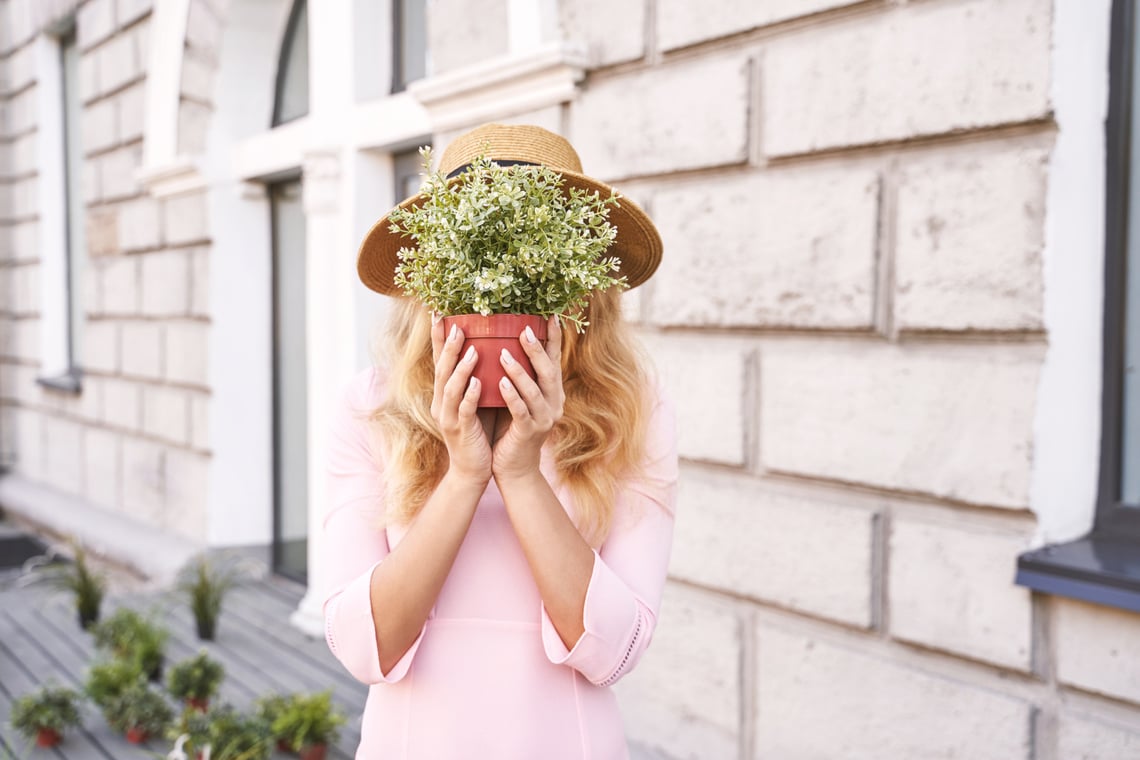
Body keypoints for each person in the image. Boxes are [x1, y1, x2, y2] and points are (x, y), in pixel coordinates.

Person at [321, 123, 679, 759]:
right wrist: (464, 474)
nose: (503, 286)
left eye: (531, 259)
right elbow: (362, 645)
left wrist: (519, 474)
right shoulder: (371, 408)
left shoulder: (633, 411)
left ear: (579, 280)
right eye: (480, 259)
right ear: (435, 275)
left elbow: (615, 650)